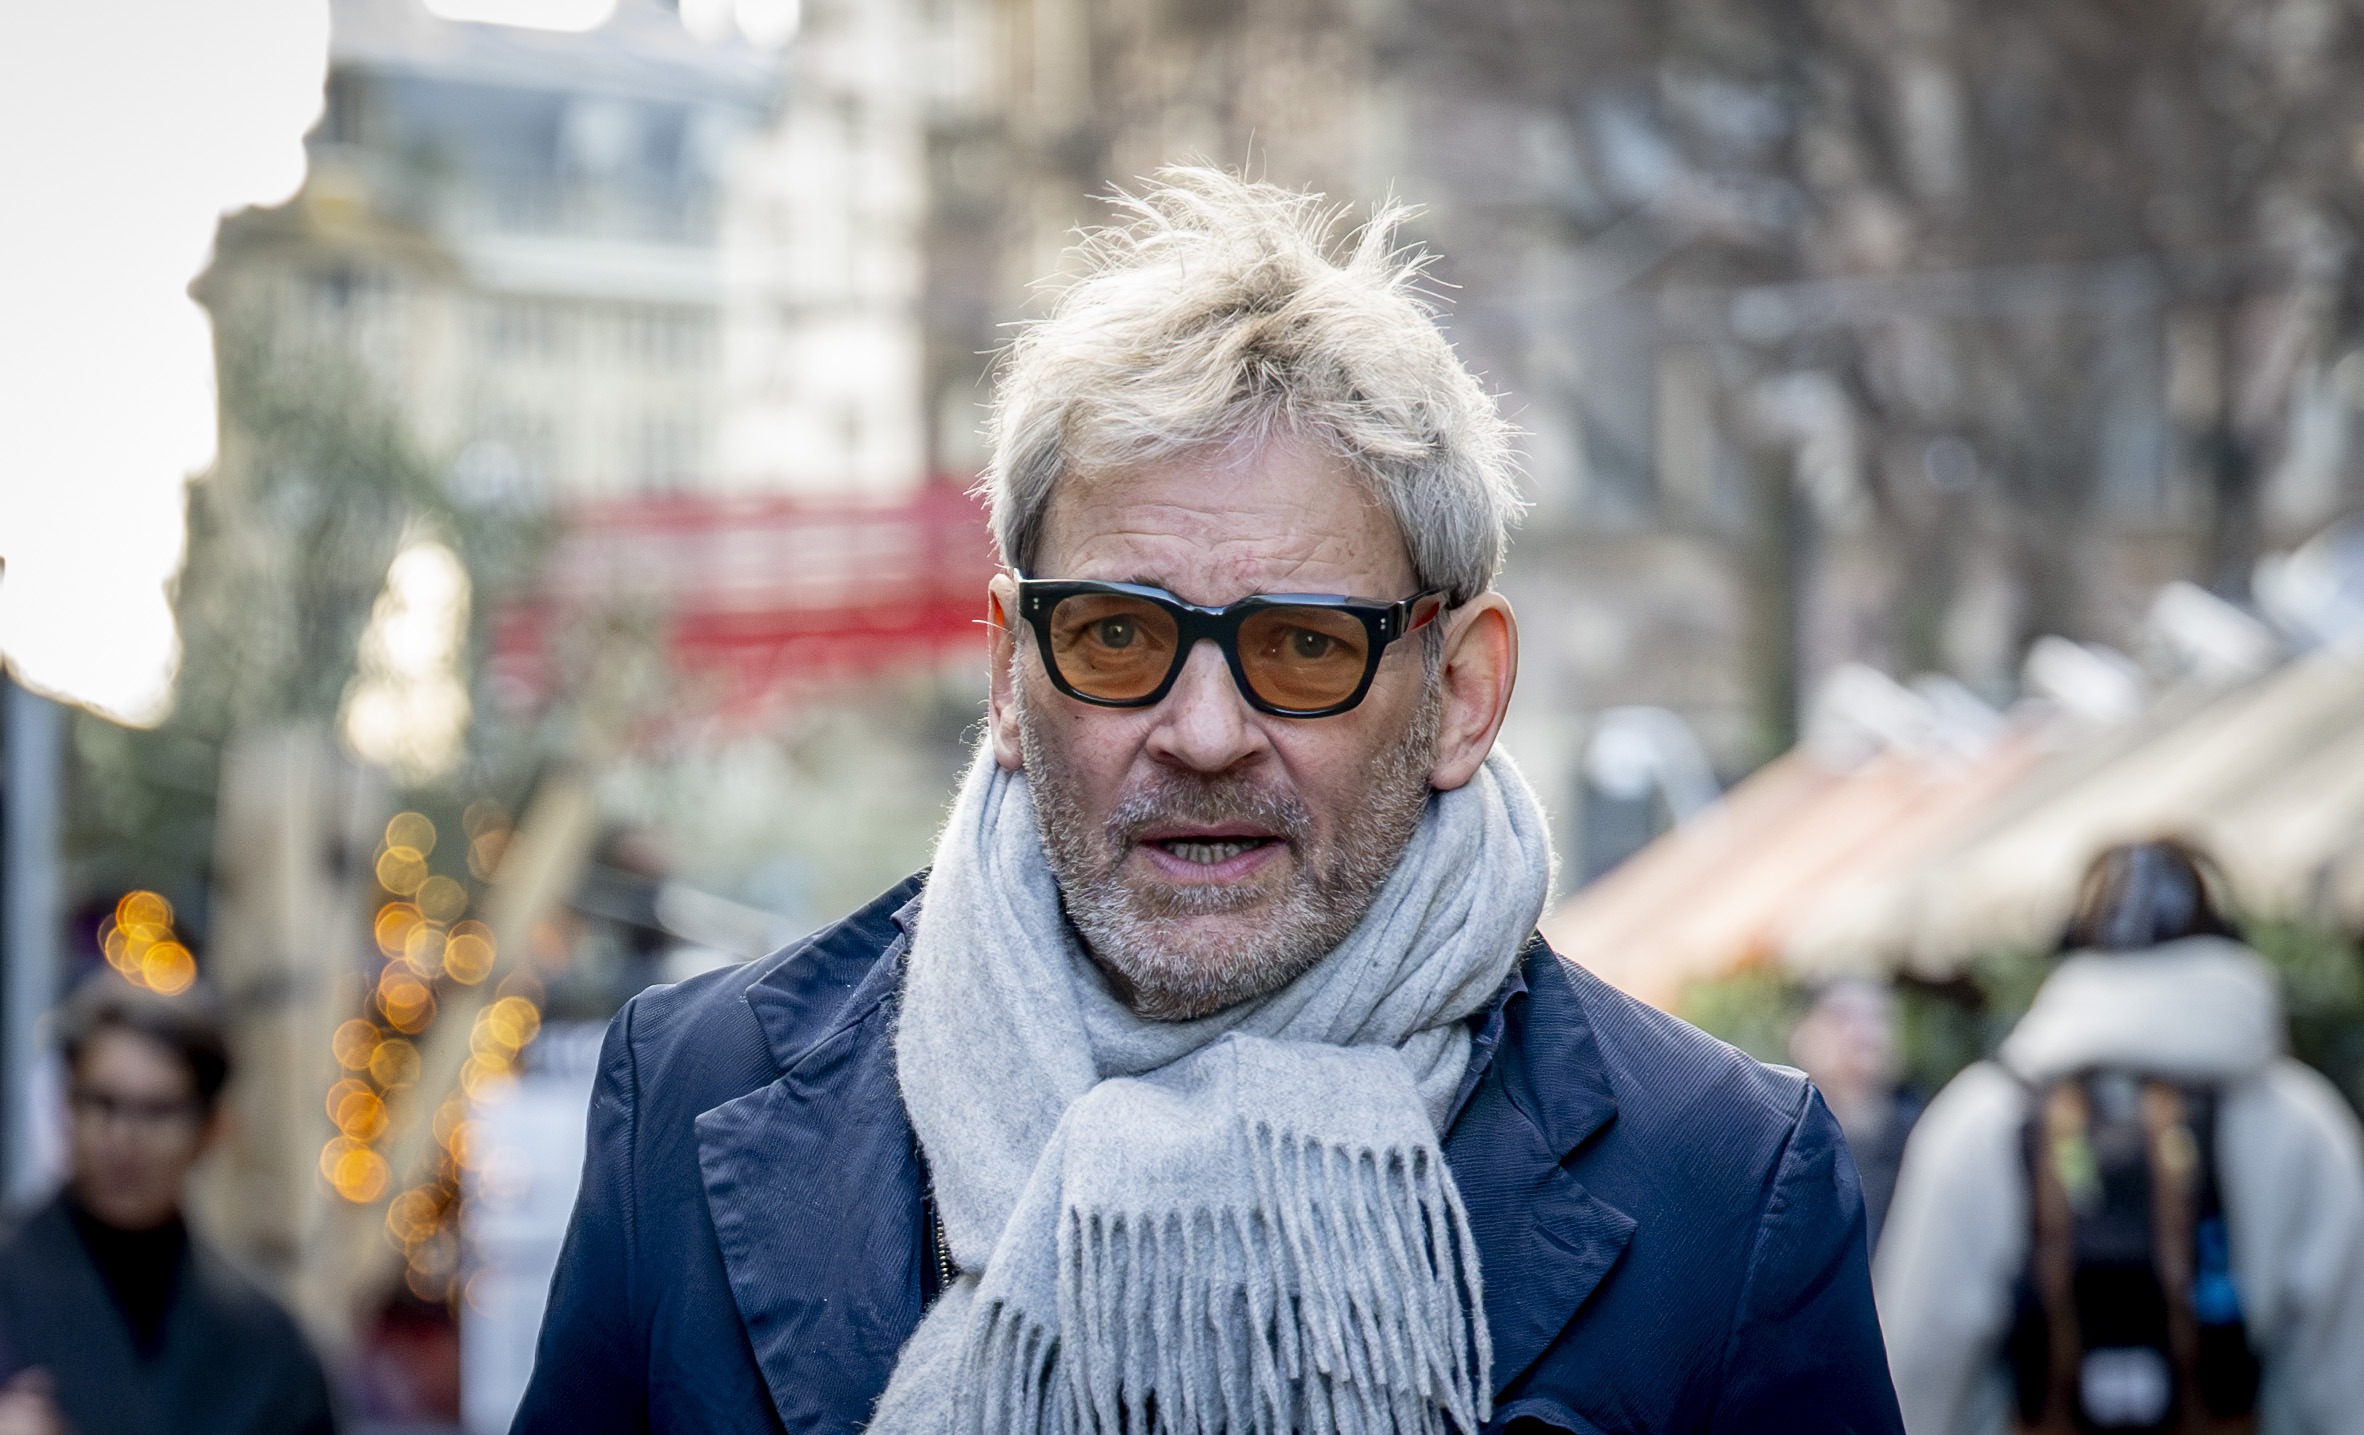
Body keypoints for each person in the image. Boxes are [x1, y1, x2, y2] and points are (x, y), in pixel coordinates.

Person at [514, 169, 1903, 1435]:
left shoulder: (1724, 1190)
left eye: (1302, 646)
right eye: (1118, 637)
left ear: (1461, 694)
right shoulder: (693, 1097)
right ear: (1011, 669)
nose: (1203, 731)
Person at [1875, 840, 2364, 1435]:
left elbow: (1917, 1370)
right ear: (2226, 938)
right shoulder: (2301, 1120)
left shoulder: (1979, 1120)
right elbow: (2345, 1376)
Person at [0, 974, 338, 1435]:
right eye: (103, 1103)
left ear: (213, 1128)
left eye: (157, 1111)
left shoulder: (264, 1346)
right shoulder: (11, 1284)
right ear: (66, 1106)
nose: (124, 1139)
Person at [1791, 978, 1923, 1250]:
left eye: (1879, 1017)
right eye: (1845, 1018)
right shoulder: (1791, 1136)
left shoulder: (1919, 1132)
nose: (1867, 1034)